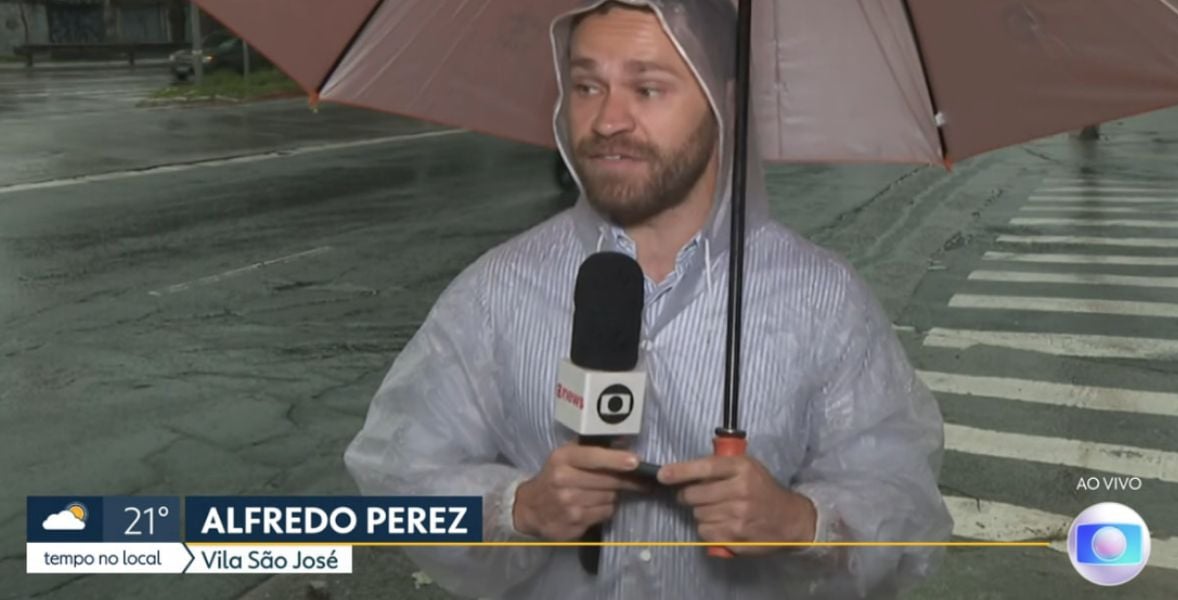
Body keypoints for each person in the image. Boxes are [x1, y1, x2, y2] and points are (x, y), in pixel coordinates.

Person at [344, 1, 952, 598]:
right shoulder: (496, 289)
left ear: (726, 104)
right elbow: (395, 485)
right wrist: (519, 508)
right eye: (586, 86)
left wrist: (800, 523)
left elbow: (908, 512)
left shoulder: (822, 299)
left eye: (648, 88)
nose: (608, 119)